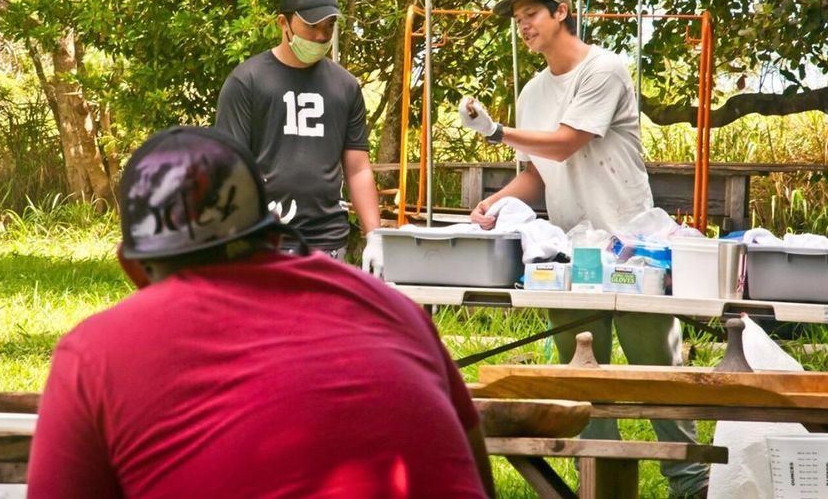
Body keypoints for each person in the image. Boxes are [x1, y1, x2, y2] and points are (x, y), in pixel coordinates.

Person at [27, 126, 495, 499]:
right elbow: (477, 478)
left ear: (131, 267)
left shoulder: (96, 353)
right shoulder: (395, 310)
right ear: (273, 238)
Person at [458, 0, 709, 499]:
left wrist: (495, 132)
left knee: (655, 371)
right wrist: (497, 201)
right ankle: (597, 485)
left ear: (563, 12)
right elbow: (538, 172)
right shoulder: (532, 92)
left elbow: (568, 143)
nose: (523, 24)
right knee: (579, 375)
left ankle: (691, 485)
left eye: (533, 13)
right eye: (517, 16)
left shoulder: (605, 69)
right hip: (573, 252)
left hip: (633, 247)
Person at [216, 0, 383, 275]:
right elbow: (230, 167)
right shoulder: (247, 82)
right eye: (312, 25)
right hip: (262, 240)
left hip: (328, 242)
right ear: (284, 23)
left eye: (328, 27)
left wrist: (374, 235)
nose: (321, 36)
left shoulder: (344, 86)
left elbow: (358, 168)